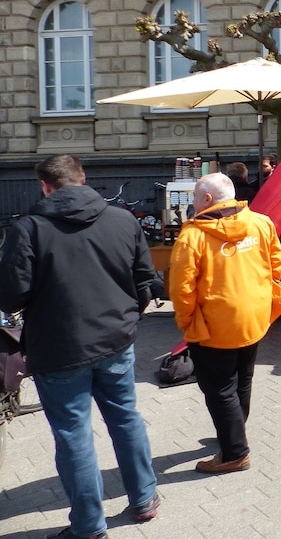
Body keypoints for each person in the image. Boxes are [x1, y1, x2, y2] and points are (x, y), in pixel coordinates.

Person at [0, 155, 161, 539]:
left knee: (74, 434)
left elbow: (10, 296)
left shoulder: (28, 229)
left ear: (45, 185)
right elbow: (145, 279)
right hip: (116, 339)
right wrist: (127, 317)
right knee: (125, 417)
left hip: (59, 348)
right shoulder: (123, 219)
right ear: (83, 178)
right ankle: (144, 498)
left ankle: (89, 526)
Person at [168, 172, 281, 475]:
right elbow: (277, 264)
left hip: (214, 325)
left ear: (207, 200)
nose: (193, 204)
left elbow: (181, 289)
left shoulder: (192, 236)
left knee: (219, 388)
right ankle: (235, 429)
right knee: (243, 378)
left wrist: (187, 323)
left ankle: (235, 452)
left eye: (195, 198)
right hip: (255, 316)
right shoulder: (260, 223)